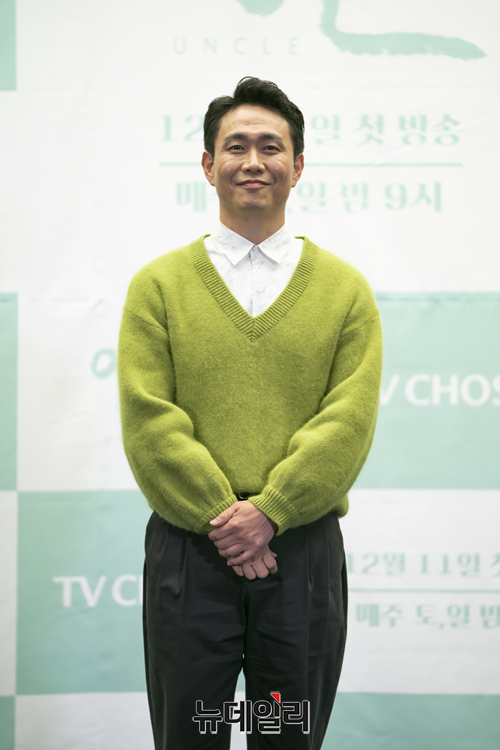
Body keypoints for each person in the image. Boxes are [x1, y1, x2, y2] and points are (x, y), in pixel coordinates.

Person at [118, 76, 382, 750]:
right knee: (189, 735)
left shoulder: (345, 290)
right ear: (209, 166)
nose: (254, 161)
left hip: (302, 548)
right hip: (190, 547)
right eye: (236, 147)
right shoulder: (158, 286)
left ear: (298, 165)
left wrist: (271, 512)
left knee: (287, 736)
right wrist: (226, 517)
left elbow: (347, 421)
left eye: (271, 146)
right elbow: (149, 419)